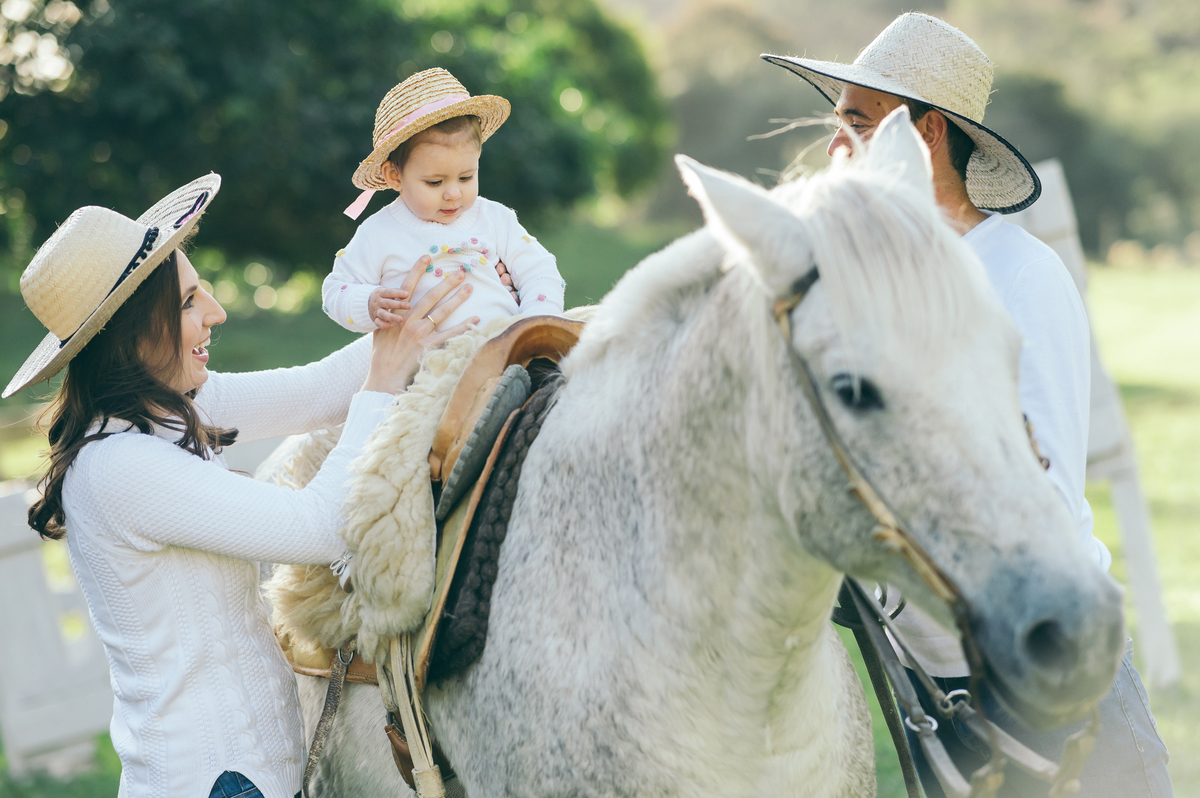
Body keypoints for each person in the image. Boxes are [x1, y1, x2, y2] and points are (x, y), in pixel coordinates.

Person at [764, 13, 1173, 798]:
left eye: (858, 121)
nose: (832, 146)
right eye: (836, 120)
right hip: (930, 676)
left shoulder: (1022, 273)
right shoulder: (865, 283)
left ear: (927, 134)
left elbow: (1043, 498)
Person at [3, 175, 479, 798]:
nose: (216, 313)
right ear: (134, 334)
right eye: (188, 301)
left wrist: (429, 298)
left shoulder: (168, 411)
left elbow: (315, 391)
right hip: (217, 784)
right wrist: (385, 382)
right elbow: (318, 526)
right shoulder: (120, 468)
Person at [324, 67, 566, 335]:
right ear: (395, 176)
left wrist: (535, 323)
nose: (453, 193)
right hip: (427, 366)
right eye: (435, 182)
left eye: (465, 177)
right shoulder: (378, 233)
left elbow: (539, 269)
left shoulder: (494, 218)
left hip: (502, 347)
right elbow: (336, 290)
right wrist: (368, 302)